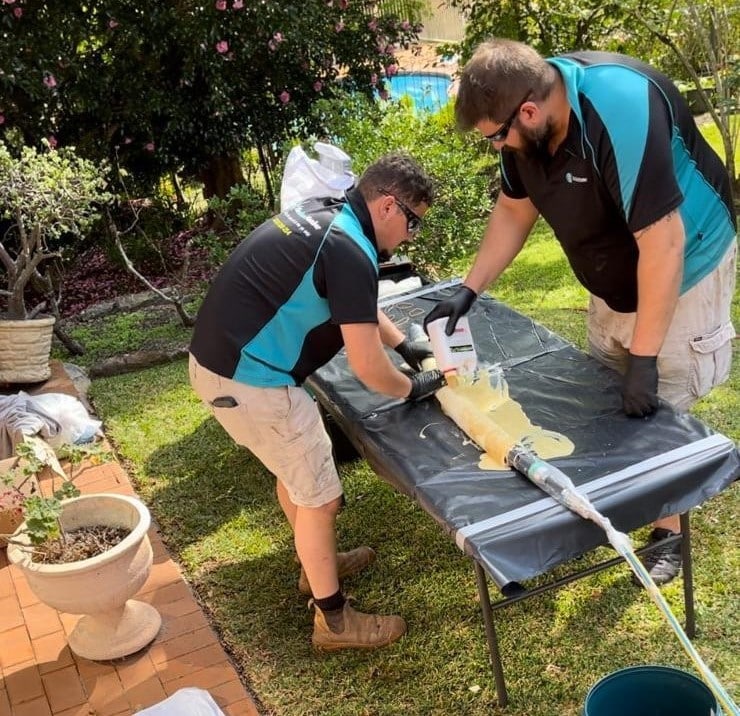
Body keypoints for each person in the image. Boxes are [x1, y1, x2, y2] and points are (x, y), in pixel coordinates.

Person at [425, 39, 737, 586]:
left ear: (528, 111)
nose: (497, 148)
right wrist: (469, 290)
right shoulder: (529, 131)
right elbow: (512, 211)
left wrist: (645, 357)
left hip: (684, 260)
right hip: (613, 268)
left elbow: (663, 243)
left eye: (498, 136)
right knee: (606, 388)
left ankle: (668, 530)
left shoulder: (618, 107)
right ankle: (619, 499)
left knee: (664, 393)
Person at [189, 153, 444, 651]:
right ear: (389, 206)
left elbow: (357, 301)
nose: (410, 235)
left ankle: (317, 564)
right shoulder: (350, 248)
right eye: (412, 221)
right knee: (321, 498)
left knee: (298, 478)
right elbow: (368, 369)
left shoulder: (332, 214)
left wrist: (404, 345)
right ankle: (334, 621)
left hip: (224, 369)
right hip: (252, 383)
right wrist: (414, 386)